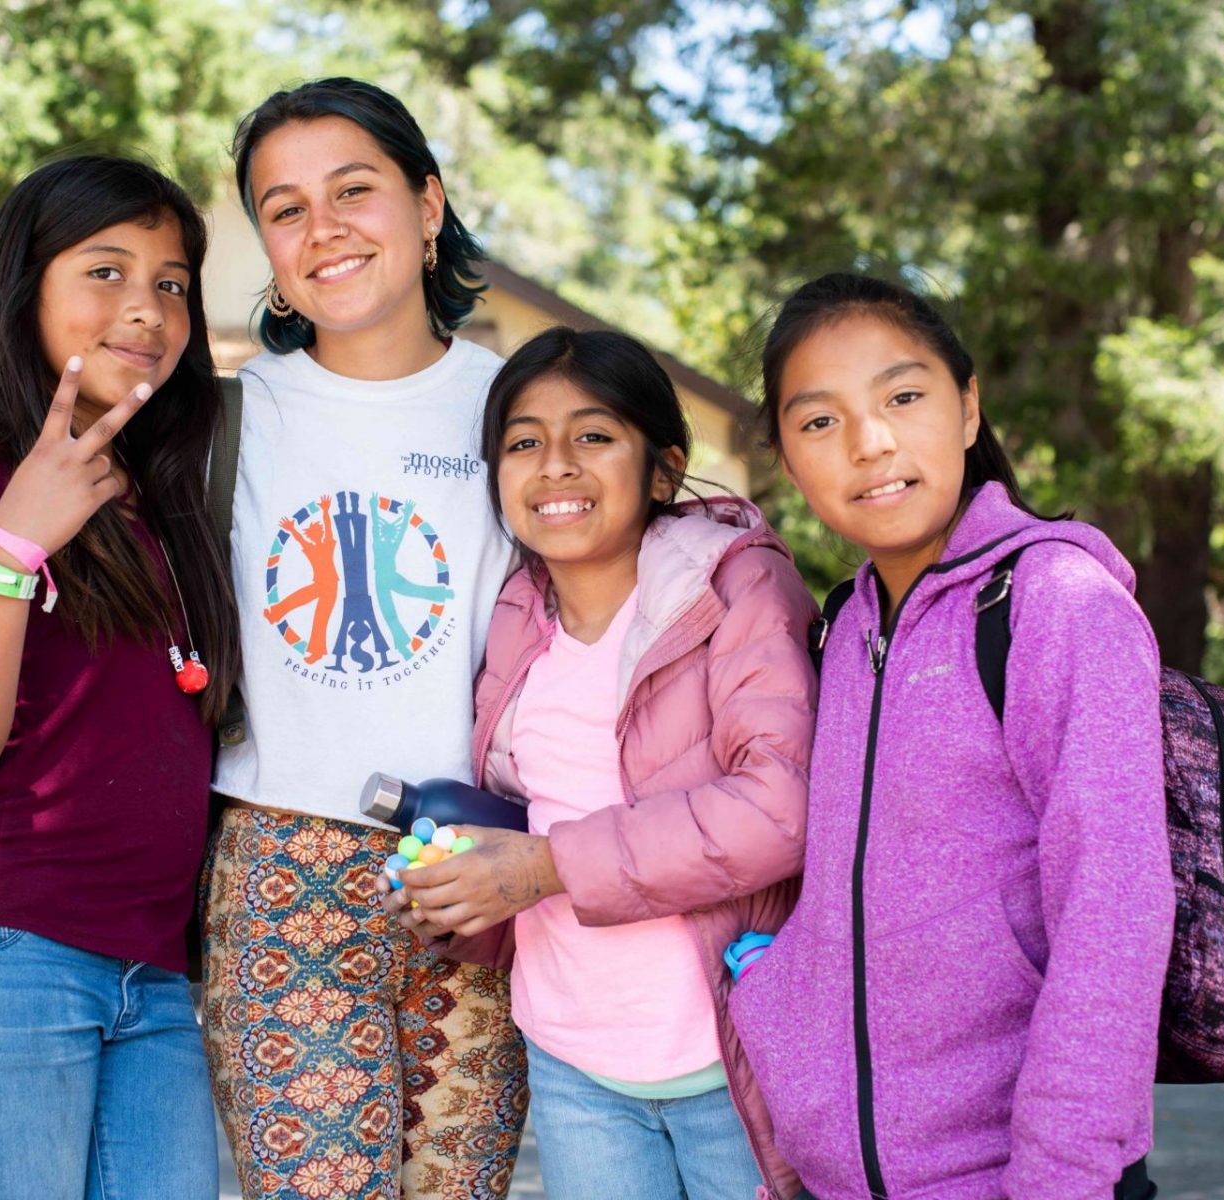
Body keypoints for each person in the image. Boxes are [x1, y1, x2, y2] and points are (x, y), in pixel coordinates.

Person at [731, 271, 1174, 1200]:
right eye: (818, 421)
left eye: (902, 396)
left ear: (967, 409)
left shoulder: (1056, 604)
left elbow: (1115, 919)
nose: (870, 443)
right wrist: (778, 1016)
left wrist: (1058, 1182)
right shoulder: (844, 626)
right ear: (783, 453)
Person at [0, 154, 237, 1199]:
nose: (148, 309)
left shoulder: (163, 495)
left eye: (171, 283)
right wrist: (13, 544)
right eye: (105, 272)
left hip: (151, 974)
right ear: (24, 289)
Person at [389, 327, 817, 1200]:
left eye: (591, 435)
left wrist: (546, 866)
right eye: (522, 442)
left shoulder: (734, 590)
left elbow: (782, 808)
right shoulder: (514, 613)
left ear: (661, 469)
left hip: (727, 1066)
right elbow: (523, 824)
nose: (554, 464)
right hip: (574, 1063)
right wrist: (461, 898)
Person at [201, 78, 525, 1199]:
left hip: (476, 871)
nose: (321, 228)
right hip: (282, 871)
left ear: (428, 205)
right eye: (283, 209)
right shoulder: (225, 420)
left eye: (354, 190)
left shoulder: (517, 409)